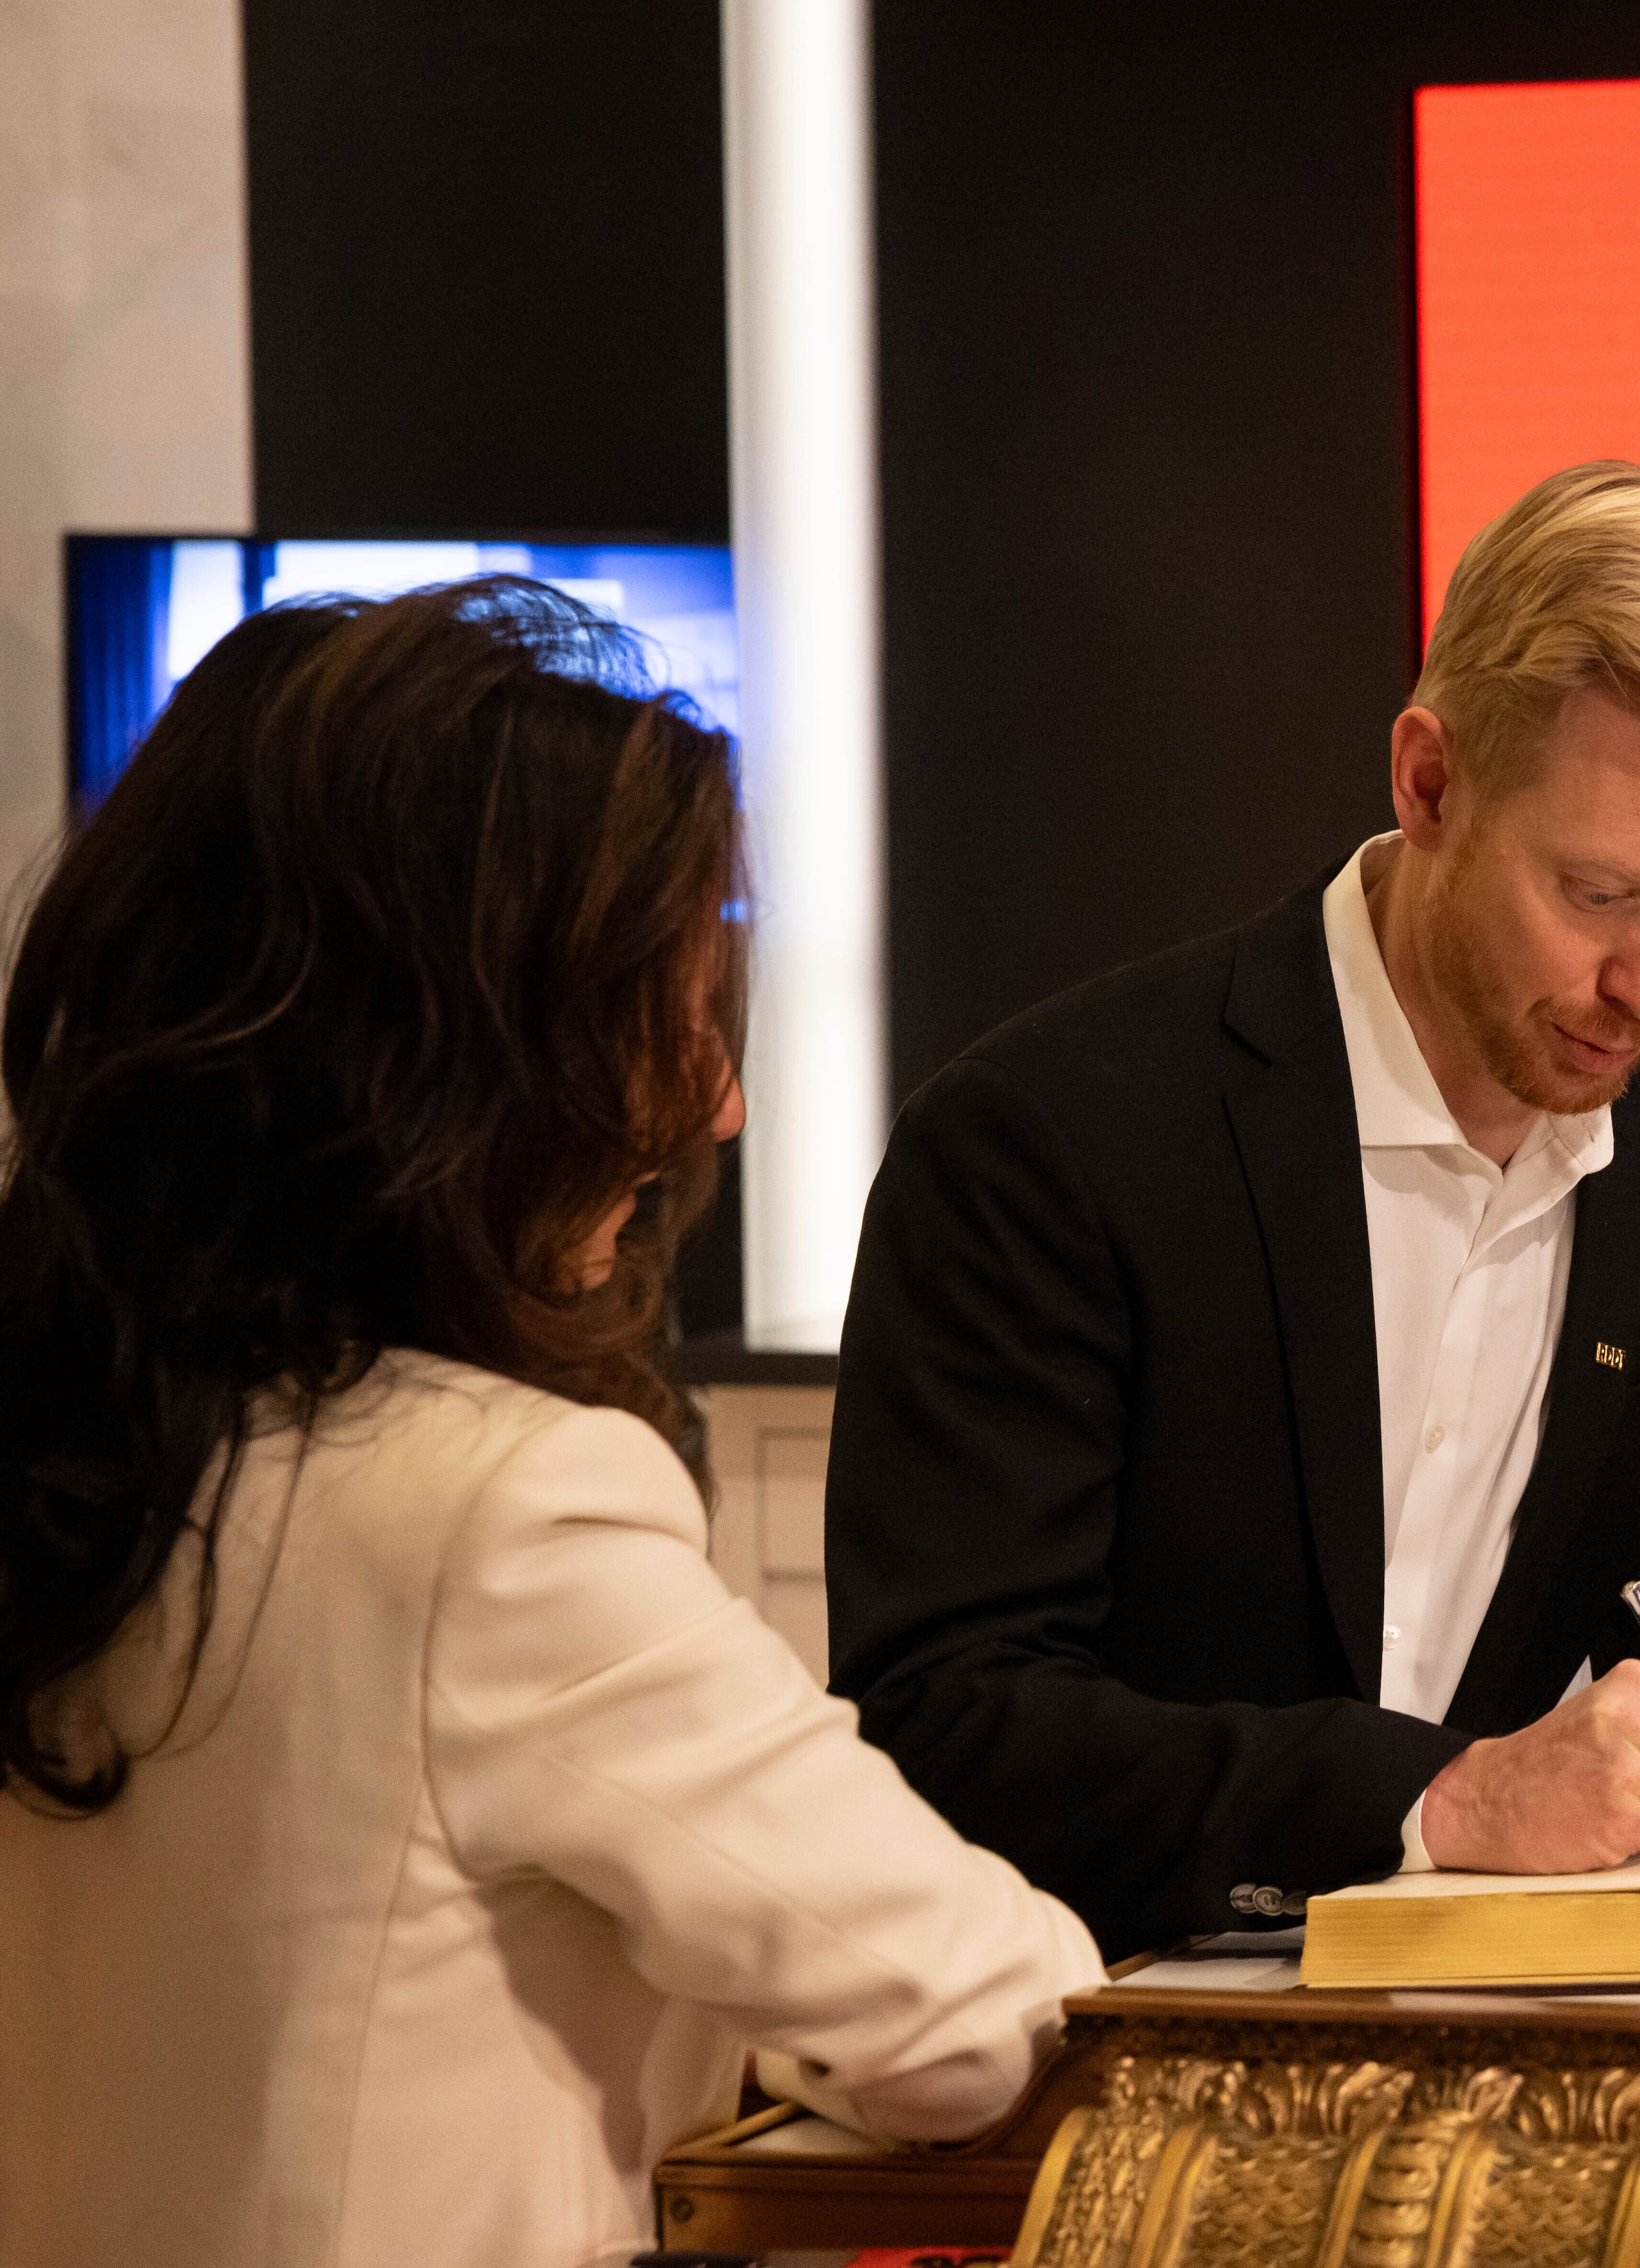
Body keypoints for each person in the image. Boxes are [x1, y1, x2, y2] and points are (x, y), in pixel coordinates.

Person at [0, 582, 1101, 2268]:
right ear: (456, 1038)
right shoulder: (503, 1516)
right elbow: (978, 2014)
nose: (716, 1098)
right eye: (666, 1000)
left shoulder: (87, 1432)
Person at [826, 465, 1640, 1963]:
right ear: (1429, 783)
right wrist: (1440, 1797)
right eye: (1603, 896)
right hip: (1077, 2023)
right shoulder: (1053, 1140)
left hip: (1503, 2032)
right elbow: (948, 1718)